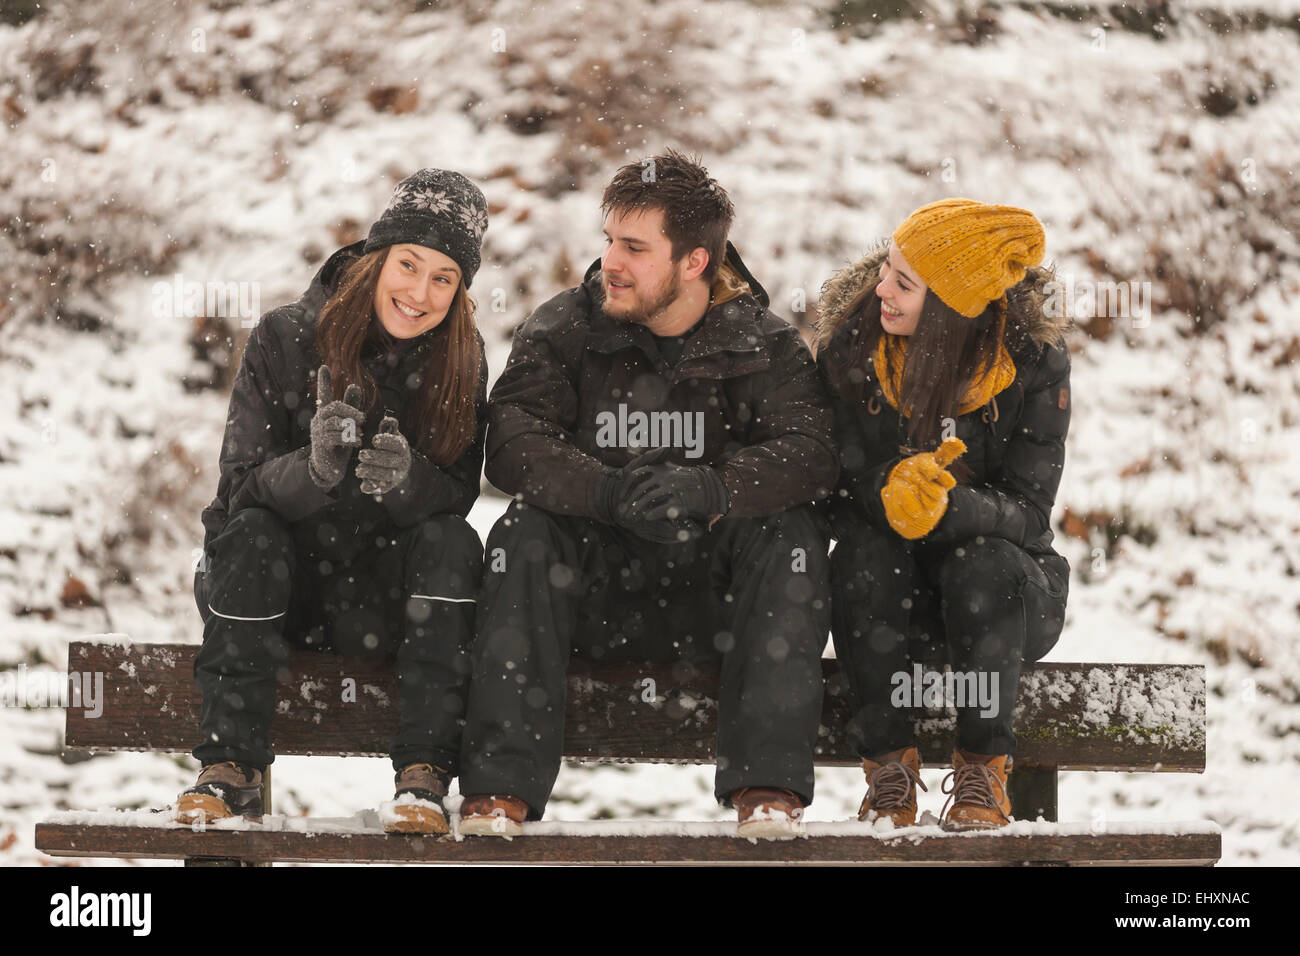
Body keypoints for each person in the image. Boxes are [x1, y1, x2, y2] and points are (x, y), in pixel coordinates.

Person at [457, 149, 838, 839]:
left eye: (634, 247)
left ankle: (769, 790)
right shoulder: (567, 326)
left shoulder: (766, 344)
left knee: (794, 536)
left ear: (694, 261)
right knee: (522, 530)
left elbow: (812, 455)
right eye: (608, 240)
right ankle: (498, 792)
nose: (611, 261)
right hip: (591, 602)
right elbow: (511, 440)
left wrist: (712, 486)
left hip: (720, 611)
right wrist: (603, 491)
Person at [175, 169, 490, 835]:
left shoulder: (461, 358)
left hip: (385, 605)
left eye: (444, 278)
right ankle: (230, 766)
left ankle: (424, 776)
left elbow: (458, 495)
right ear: (377, 259)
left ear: (461, 289)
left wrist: (408, 481)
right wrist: (313, 471)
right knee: (253, 530)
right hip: (276, 598)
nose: (420, 292)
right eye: (409, 264)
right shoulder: (285, 337)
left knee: (452, 543)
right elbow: (236, 493)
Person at [814, 198, 1071, 830]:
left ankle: (985, 771)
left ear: (954, 307)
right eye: (886, 268)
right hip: (888, 606)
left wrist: (950, 508)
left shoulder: (1033, 364)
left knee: (980, 561)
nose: (881, 288)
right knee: (862, 553)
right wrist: (888, 491)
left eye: (903, 282)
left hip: (1005, 600)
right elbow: (829, 489)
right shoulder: (853, 350)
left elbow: (1031, 513)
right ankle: (888, 773)